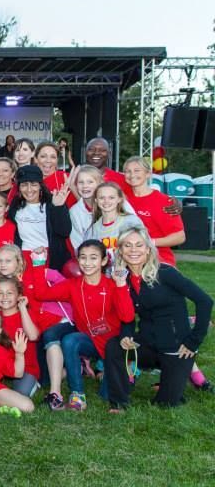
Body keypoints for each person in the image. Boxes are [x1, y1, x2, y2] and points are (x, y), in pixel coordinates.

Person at [104, 227, 213, 410]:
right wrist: (126, 335)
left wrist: (193, 341)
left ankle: (175, 380)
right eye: (127, 245)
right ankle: (119, 402)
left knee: (166, 404)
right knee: (114, 345)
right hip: (148, 344)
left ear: (148, 249)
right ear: (120, 250)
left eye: (139, 245)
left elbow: (205, 301)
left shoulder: (165, 272)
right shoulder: (124, 279)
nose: (133, 250)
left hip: (176, 347)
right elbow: (127, 316)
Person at [33, 240, 134, 411]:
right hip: (90, 341)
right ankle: (77, 394)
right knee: (70, 340)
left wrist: (121, 285)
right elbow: (41, 293)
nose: (87, 263)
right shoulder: (74, 285)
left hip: (112, 346)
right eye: (83, 258)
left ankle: (126, 368)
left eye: (93, 258)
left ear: (103, 261)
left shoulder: (112, 284)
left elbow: (127, 316)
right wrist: (38, 263)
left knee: (107, 394)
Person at [122, 157, 185, 266]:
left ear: (148, 174)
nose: (132, 175)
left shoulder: (164, 201)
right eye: (128, 171)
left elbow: (179, 237)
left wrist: (148, 243)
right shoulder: (121, 199)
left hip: (158, 261)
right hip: (128, 261)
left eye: (137, 170)